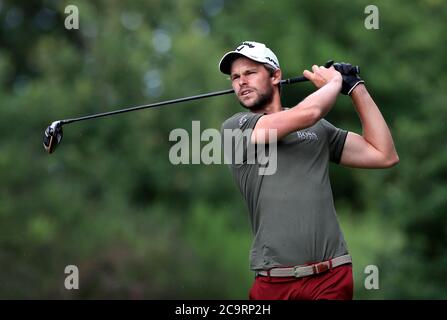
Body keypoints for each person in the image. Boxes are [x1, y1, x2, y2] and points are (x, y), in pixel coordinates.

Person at [219, 41, 399, 300]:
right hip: (273, 283)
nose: (241, 82)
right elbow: (311, 111)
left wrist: (355, 88)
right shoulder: (235, 127)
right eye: (235, 77)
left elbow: (384, 154)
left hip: (330, 277)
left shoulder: (319, 130)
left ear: (275, 76)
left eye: (250, 73)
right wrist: (334, 84)